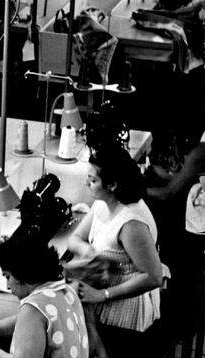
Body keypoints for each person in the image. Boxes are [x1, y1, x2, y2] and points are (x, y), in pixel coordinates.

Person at [65, 144, 163, 335]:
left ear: (112, 185)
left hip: (124, 308)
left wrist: (103, 295)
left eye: (92, 180)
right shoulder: (105, 202)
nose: (86, 184)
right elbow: (74, 238)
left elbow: (153, 277)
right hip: (101, 291)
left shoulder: (131, 224)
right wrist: (88, 251)